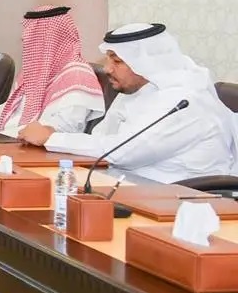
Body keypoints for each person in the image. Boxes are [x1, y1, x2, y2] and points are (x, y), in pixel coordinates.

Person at [21, 23, 238, 183]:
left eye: (117, 61)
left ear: (146, 63)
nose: (107, 69)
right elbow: (102, 138)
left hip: (184, 198)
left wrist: (52, 139)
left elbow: (123, 152)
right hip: (132, 187)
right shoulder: (135, 90)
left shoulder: (183, 101)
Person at [0, 6, 105, 138]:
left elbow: (60, 129)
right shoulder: (34, 72)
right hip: (7, 141)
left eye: (31, 41)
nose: (25, 45)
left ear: (48, 41)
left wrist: (0, 138)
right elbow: (9, 111)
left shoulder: (77, 77)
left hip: (27, 146)